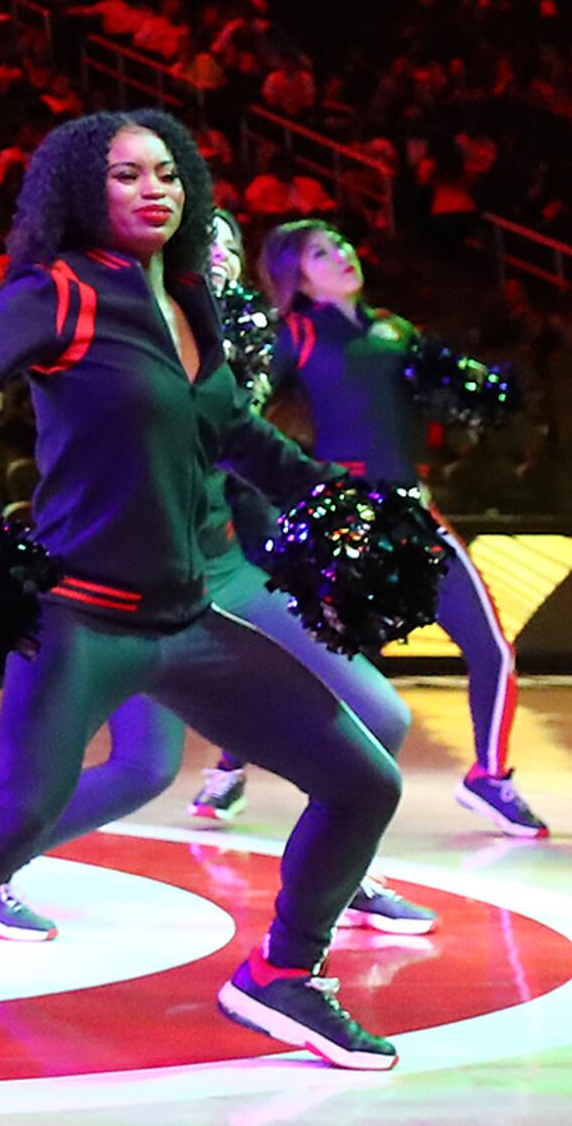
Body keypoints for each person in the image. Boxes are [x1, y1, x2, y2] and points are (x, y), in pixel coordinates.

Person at [0, 112, 406, 1117]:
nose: (154, 190)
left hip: (191, 620)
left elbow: (231, 429)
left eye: (167, 172)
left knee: (363, 780)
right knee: (13, 818)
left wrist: (332, 497)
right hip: (82, 617)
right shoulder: (55, 296)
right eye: (128, 175)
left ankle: (283, 974)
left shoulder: (189, 306)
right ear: (87, 192)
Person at [0, 208, 440, 945]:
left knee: (382, 716)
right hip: (126, 580)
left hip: (227, 568)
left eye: (226, 243)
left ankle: (338, 875)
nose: (216, 253)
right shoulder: (113, 336)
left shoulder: (237, 339)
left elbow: (259, 443)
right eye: (201, 241)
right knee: (142, 769)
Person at [202, 221, 545, 836]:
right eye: (321, 252)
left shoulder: (398, 331)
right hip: (344, 515)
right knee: (302, 659)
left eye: (343, 244)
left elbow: (454, 393)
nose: (343, 254)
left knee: (491, 645)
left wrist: (487, 391)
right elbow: (238, 419)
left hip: (413, 509)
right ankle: (228, 769)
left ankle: (490, 778)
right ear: (297, 275)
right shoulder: (295, 334)